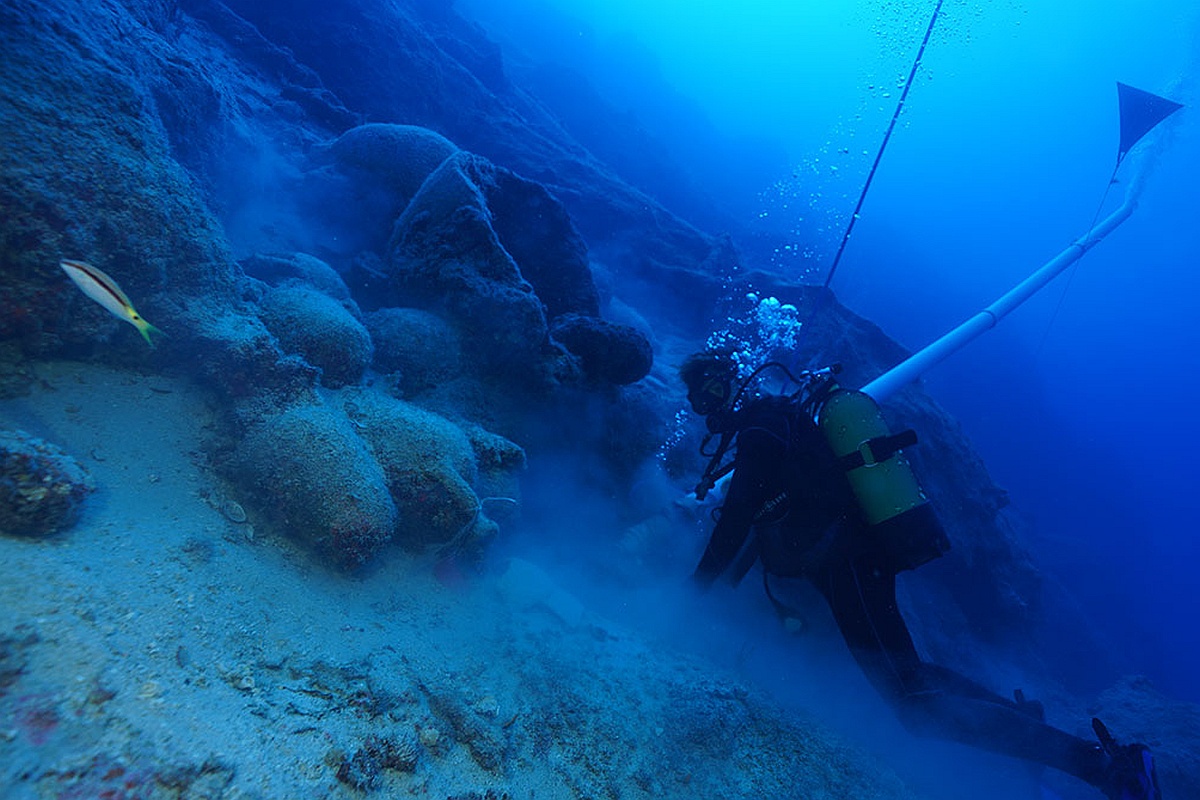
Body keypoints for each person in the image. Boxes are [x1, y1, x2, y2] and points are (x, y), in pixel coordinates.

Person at [680, 348, 1162, 800]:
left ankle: (1105, 767)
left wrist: (692, 592)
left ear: (732, 384)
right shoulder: (777, 424)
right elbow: (758, 521)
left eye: (710, 392)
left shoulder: (761, 428)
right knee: (913, 675)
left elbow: (740, 513)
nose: (705, 406)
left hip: (846, 561)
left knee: (913, 705)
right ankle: (1021, 718)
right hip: (852, 559)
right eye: (697, 398)